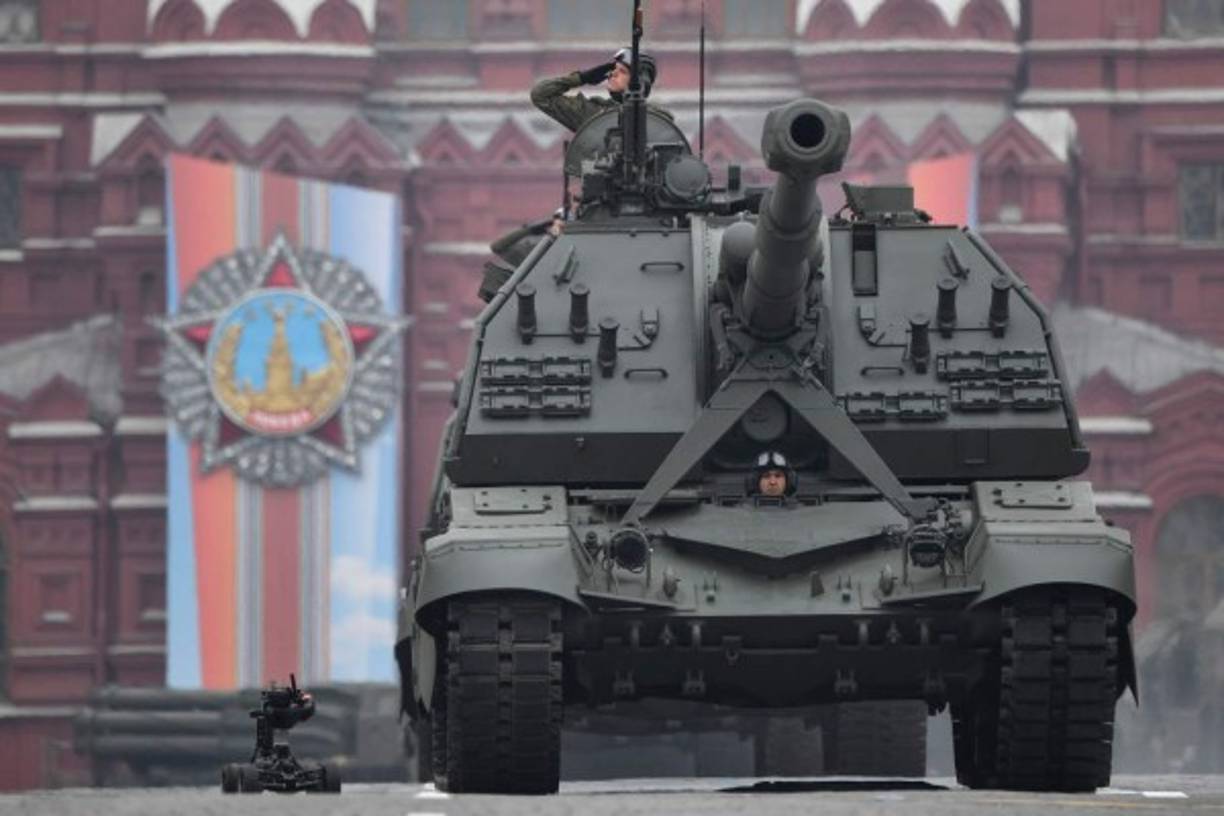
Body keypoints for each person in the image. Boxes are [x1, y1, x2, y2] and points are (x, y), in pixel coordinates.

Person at [531, 47, 668, 133]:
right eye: (613, 69)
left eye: (622, 71)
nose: (612, 73)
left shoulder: (656, 120)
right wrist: (582, 78)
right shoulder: (594, 114)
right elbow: (540, 95)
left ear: (638, 82)